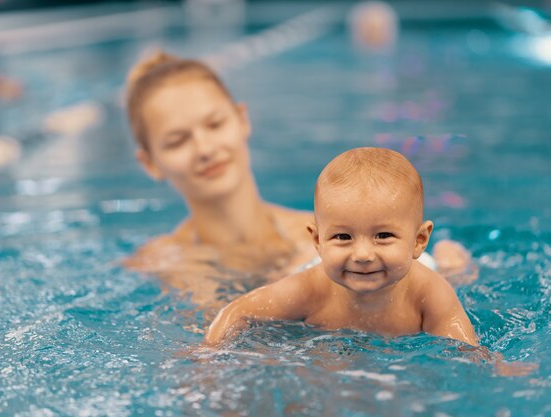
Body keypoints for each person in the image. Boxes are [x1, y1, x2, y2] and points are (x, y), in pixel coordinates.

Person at [123, 51, 476, 308]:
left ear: (241, 119)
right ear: (150, 162)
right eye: (177, 141)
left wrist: (455, 275)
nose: (204, 148)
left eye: (215, 125)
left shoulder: (339, 233)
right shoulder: (163, 262)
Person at [205, 147, 477, 346]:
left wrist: (494, 367)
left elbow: (468, 352)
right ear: (318, 241)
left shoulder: (428, 292)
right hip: (320, 267)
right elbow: (238, 311)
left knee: (455, 272)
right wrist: (208, 354)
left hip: (417, 265)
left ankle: (448, 251)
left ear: (419, 240)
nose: (362, 255)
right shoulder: (307, 290)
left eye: (382, 235)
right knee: (282, 273)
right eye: (343, 237)